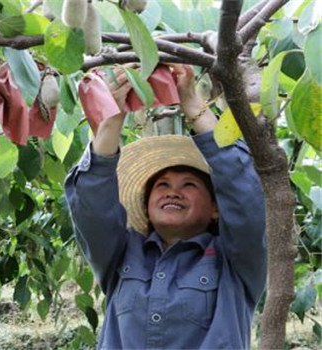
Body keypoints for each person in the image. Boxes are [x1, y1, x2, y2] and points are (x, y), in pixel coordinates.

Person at [64, 64, 267, 349]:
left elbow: (245, 193)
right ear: (146, 207)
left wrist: (191, 101)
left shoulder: (236, 262)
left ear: (216, 208)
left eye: (189, 185)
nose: (173, 193)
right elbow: (91, 208)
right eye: (162, 186)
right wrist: (112, 119)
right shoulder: (122, 255)